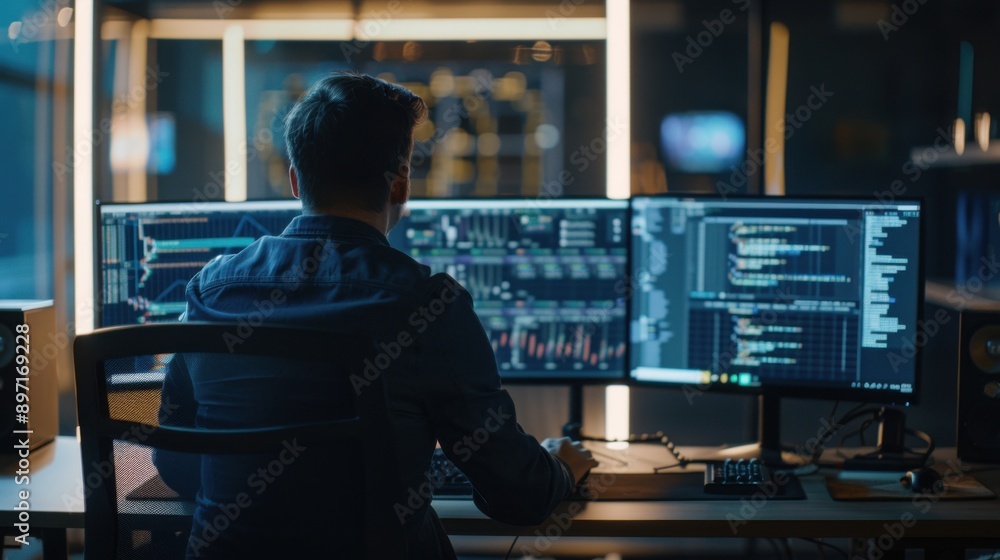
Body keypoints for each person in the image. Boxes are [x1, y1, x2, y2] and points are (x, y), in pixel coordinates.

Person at [154, 71, 597, 559]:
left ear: (295, 179)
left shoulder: (211, 289)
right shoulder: (428, 304)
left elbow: (175, 463)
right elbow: (520, 496)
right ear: (400, 184)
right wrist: (562, 467)